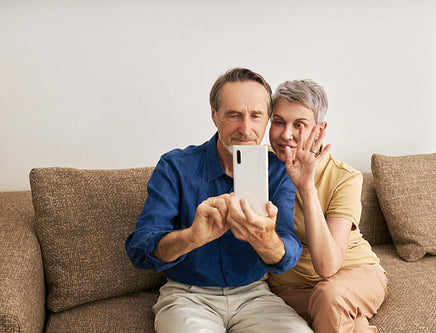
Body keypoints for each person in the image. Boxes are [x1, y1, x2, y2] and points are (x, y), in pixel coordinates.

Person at [125, 68, 313, 333]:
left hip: (255, 295)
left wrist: (266, 239)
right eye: (234, 115)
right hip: (187, 296)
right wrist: (192, 236)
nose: (246, 129)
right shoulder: (175, 166)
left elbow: (287, 253)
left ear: (267, 119)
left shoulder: (278, 171)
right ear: (214, 116)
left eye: (256, 116)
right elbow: (139, 248)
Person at [267, 79, 388, 333]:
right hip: (290, 288)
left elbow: (328, 267)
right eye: (278, 122)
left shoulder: (345, 177)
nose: (285, 134)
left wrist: (306, 187)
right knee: (334, 307)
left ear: (319, 130)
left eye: (299, 124)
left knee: (331, 296)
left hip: (354, 274)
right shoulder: (261, 166)